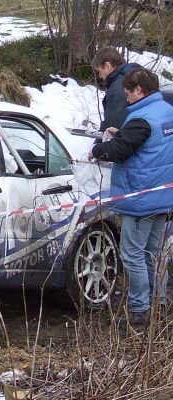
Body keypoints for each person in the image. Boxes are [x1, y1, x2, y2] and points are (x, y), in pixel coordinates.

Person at [89, 67, 173, 327]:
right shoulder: (167, 113)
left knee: (132, 254)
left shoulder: (142, 118)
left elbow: (121, 150)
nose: (126, 99)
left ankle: (139, 310)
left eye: (128, 93)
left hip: (139, 198)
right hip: (162, 196)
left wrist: (98, 149)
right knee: (153, 254)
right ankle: (157, 304)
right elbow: (146, 144)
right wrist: (122, 134)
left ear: (139, 90)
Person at [92, 47, 141, 135]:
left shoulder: (118, 89)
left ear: (107, 66)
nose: (99, 76)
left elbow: (113, 127)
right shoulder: (137, 75)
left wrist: (98, 146)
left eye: (99, 71)